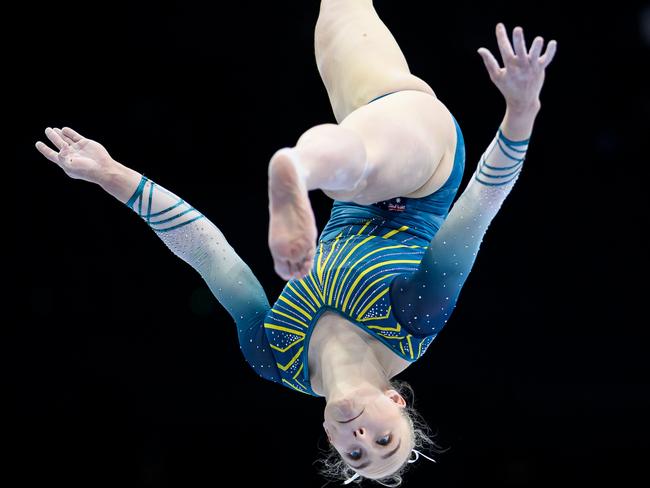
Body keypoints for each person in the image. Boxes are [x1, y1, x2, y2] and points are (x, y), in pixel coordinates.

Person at [35, 0, 556, 484]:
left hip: (362, 136)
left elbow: (210, 256)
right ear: (395, 402)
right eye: (383, 440)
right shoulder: (414, 320)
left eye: (355, 454)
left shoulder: (274, 357)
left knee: (339, 12)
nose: (360, 437)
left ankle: (301, 171)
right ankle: (297, 172)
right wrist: (521, 114)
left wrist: (111, 175)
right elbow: (477, 209)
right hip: (426, 166)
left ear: (328, 437)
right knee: (354, 173)